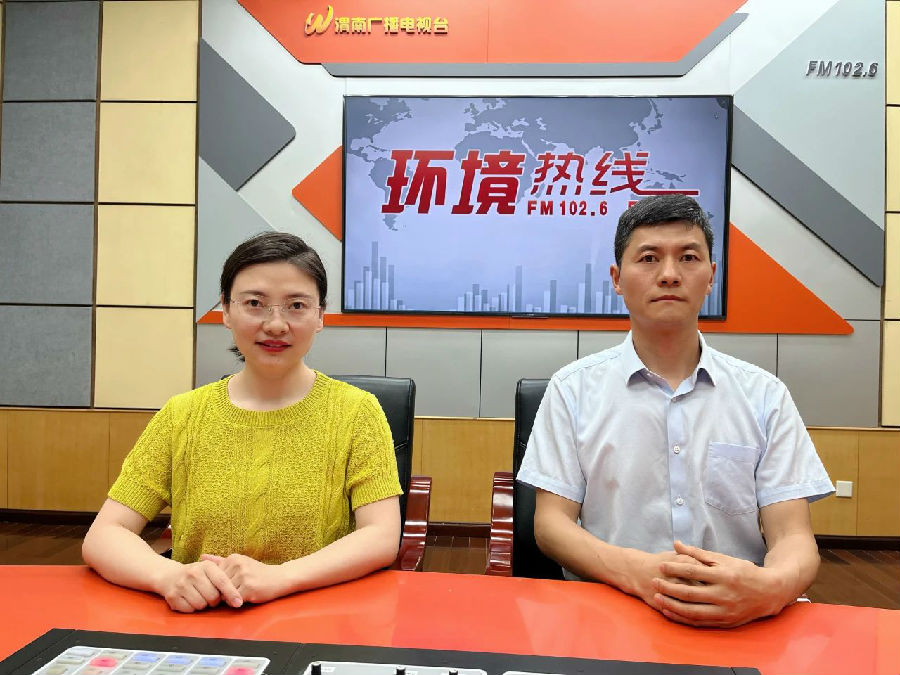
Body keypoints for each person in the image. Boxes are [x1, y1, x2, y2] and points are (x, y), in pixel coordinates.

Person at [517, 194, 834, 628]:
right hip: (607, 614)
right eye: (648, 258)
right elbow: (552, 525)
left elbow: (793, 535)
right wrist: (636, 573)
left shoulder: (765, 395)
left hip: (739, 618)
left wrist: (771, 587)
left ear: (711, 277)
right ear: (616, 279)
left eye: (688, 257)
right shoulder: (572, 390)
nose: (669, 274)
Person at [83, 232, 402, 613]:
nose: (276, 325)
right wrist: (167, 576)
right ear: (225, 310)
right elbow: (105, 534)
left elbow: (381, 535)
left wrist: (280, 578)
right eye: (255, 303)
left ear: (320, 316)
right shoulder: (183, 415)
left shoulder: (357, 412)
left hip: (315, 614)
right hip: (199, 618)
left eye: (296, 305)